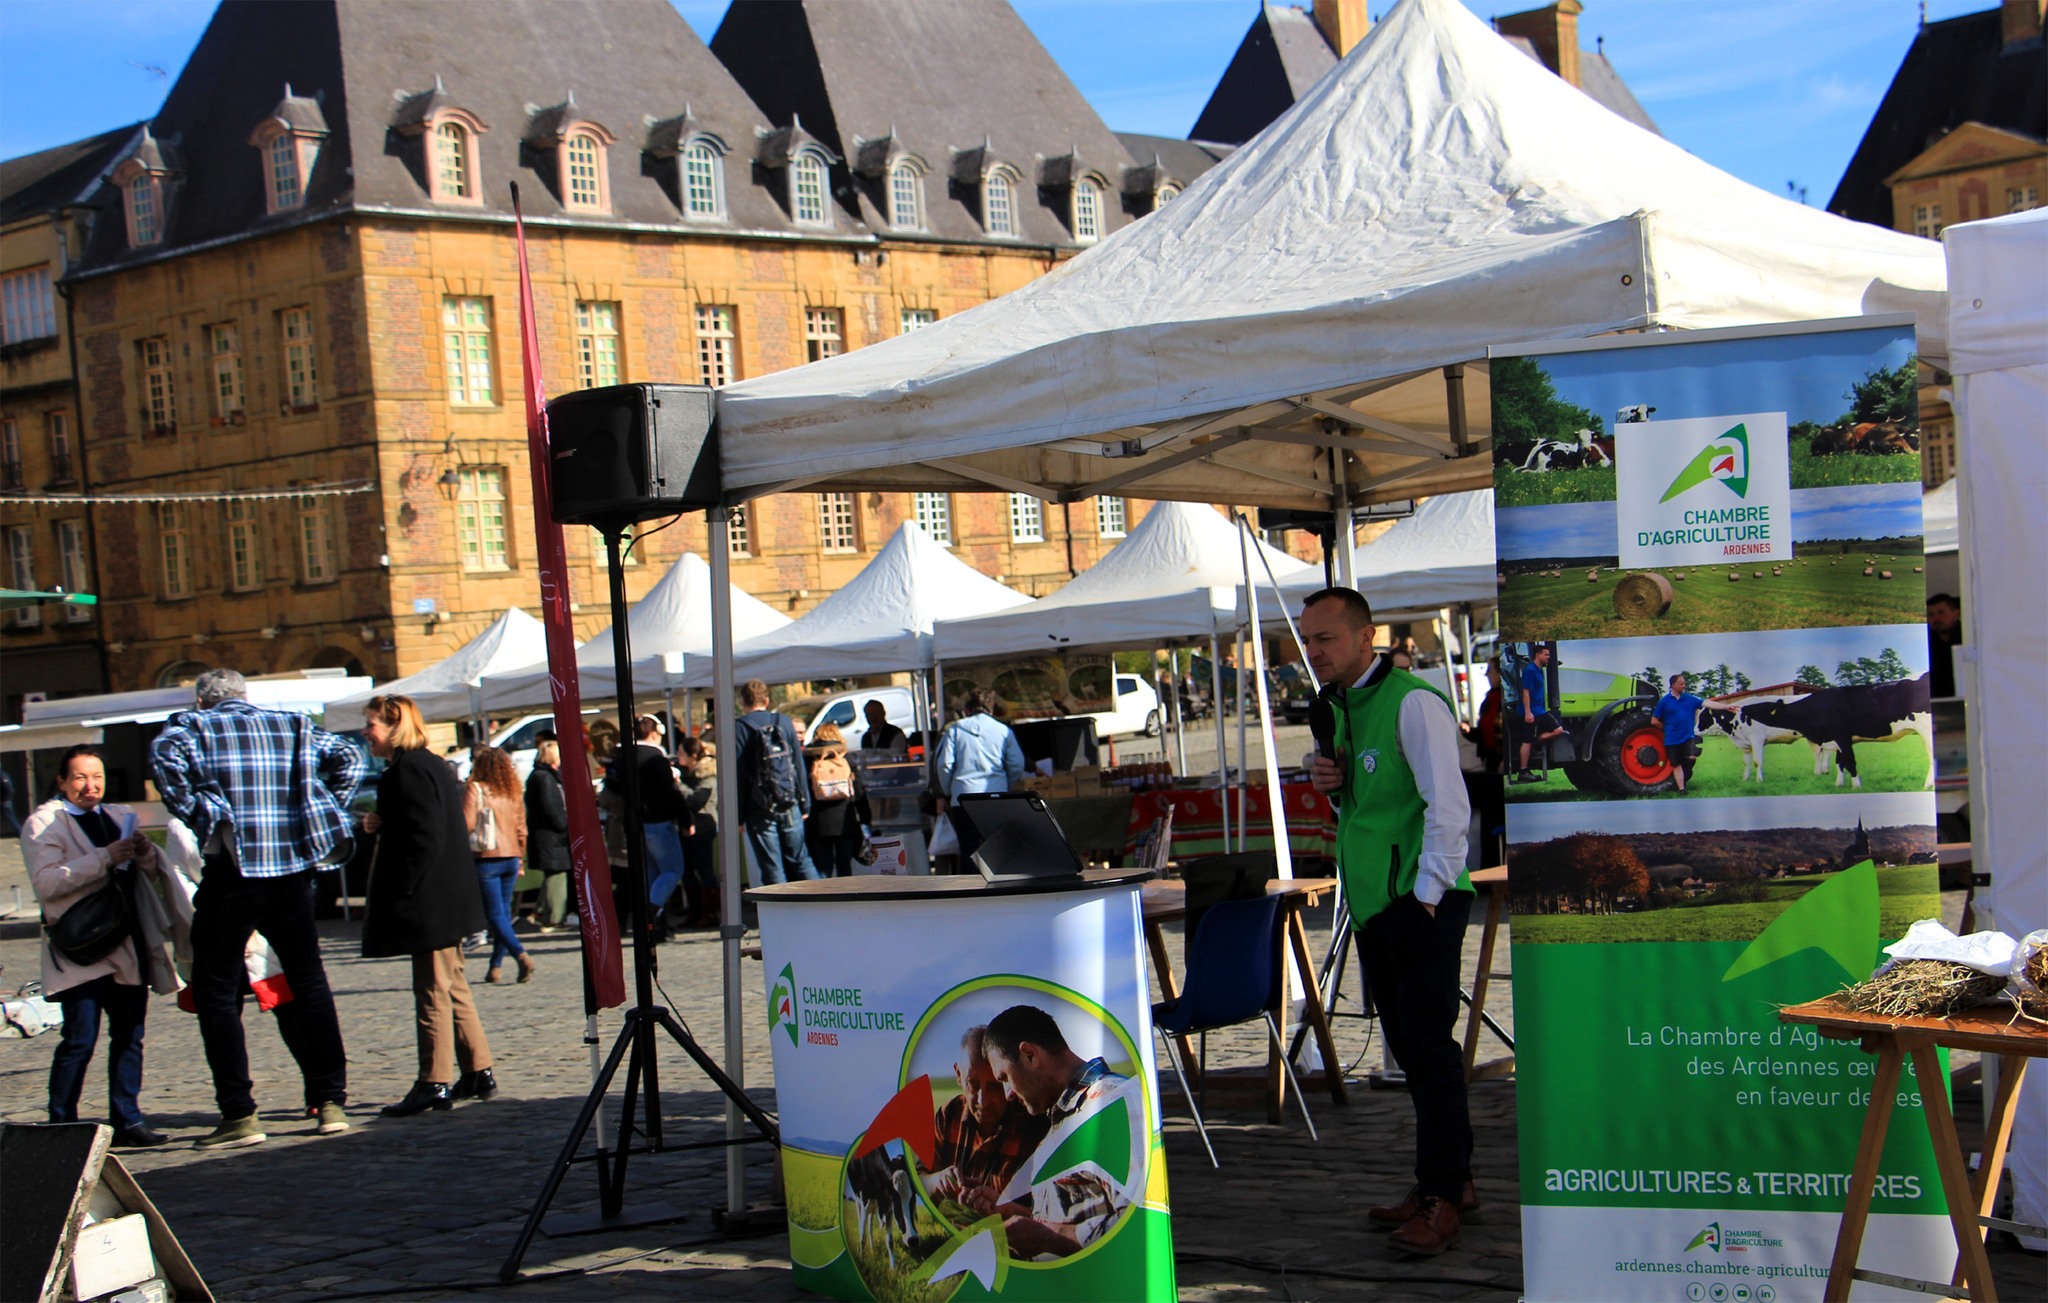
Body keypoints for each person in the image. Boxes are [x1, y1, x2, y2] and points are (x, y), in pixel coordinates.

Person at [1300, 587, 1476, 1256]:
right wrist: (1333, 781)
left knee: (1428, 1051)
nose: (1314, 652)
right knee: (1413, 1050)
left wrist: (1427, 894)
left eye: (1327, 638)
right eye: (1308, 640)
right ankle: (1451, 1181)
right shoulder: (1341, 707)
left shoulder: (1411, 702)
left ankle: (1441, 1196)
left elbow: (1448, 807)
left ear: (1365, 636)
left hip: (1415, 900)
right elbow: (1371, 798)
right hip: (1378, 900)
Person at [150, 668, 362, 1149]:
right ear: (246, 696)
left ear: (204, 699)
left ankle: (239, 1112)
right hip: (290, 864)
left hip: (235, 866)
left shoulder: (195, 727)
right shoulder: (291, 723)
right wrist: (321, 807)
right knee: (308, 977)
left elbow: (165, 759)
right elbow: (348, 756)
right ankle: (330, 1100)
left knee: (217, 989)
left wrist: (203, 812)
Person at [26, 746, 172, 1148]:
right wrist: (103, 857)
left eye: (97, 777)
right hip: (82, 946)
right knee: (80, 1038)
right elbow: (48, 884)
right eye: (79, 778)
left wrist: (143, 853)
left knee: (129, 1034)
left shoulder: (114, 816)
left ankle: (127, 1118)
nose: (90, 786)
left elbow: (143, 875)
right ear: (61, 782)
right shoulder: (45, 823)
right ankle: (62, 1123)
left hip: (125, 940)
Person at [358, 695, 497, 1116]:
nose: (367, 733)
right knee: (453, 987)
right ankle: (477, 1068)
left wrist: (401, 888)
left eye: (372, 726)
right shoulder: (430, 764)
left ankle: (433, 1080)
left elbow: (424, 837)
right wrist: (379, 822)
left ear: (394, 726)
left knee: (433, 991)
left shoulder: (408, 769)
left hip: (428, 898)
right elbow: (424, 824)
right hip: (447, 895)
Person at [964, 1004, 1134, 1259]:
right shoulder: (1061, 1117)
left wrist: (1052, 1238)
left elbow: (1140, 1223)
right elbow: (1080, 1216)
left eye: (1005, 1078)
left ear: (1029, 1055)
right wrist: (1012, 1214)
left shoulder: (1112, 1103)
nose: (1009, 1094)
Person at [923, 1024, 1050, 1200]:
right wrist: (937, 1180)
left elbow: (1050, 1209)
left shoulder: (1034, 1126)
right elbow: (916, 1179)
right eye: (973, 1085)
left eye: (995, 1087)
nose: (983, 1101)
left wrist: (1001, 1208)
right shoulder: (948, 1115)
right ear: (958, 1075)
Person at [732, 680, 818, 885]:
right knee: (801, 858)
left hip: (758, 806)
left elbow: (739, 772)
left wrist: (739, 816)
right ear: (767, 700)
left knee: (771, 865)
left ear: (742, 702)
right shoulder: (784, 722)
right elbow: (798, 764)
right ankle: (821, 906)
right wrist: (804, 803)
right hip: (789, 799)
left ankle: (779, 915)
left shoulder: (739, 728)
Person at [465, 746, 532, 984]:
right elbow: (522, 828)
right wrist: (520, 857)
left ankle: (520, 954)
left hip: (486, 857)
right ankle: (495, 967)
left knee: (495, 915)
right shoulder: (512, 791)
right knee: (503, 913)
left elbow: (467, 824)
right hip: (512, 856)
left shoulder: (476, 789)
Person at [622, 716, 692, 923]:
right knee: (672, 870)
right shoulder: (655, 759)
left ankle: (654, 921)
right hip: (658, 821)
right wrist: (686, 819)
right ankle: (650, 913)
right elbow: (670, 793)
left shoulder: (624, 757)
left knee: (653, 874)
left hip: (637, 822)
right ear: (655, 733)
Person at [934, 689, 1025, 805]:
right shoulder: (1004, 731)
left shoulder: (955, 730)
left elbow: (944, 764)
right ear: (991, 710)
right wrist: (1005, 783)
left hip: (962, 796)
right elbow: (1017, 764)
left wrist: (948, 790)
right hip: (997, 794)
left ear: (968, 710)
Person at [804, 722, 871, 878]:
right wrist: (866, 818)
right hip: (844, 821)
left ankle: (823, 898)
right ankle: (845, 898)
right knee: (844, 865)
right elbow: (859, 791)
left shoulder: (809, 759)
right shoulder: (845, 757)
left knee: (823, 866)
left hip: (818, 821)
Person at [524, 737, 571, 930]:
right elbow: (551, 807)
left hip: (548, 835)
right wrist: (564, 826)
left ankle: (541, 912)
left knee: (553, 875)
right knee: (556, 875)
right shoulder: (544, 778)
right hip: (551, 836)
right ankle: (553, 917)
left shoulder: (540, 776)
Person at [673, 735, 719, 927]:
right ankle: (695, 912)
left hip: (703, 828)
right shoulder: (689, 773)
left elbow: (695, 801)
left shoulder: (708, 774)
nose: (677, 756)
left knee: (704, 870)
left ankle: (709, 913)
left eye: (681, 753)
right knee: (687, 872)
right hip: (686, 828)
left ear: (693, 756)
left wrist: (677, 782)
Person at [1513, 644, 1566, 784]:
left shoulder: (1538, 670)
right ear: (1538, 655)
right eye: (1546, 655)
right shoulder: (1530, 671)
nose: (1549, 657)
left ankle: (1536, 739)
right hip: (1532, 712)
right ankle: (1523, 771)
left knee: (1558, 730)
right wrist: (1528, 712)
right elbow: (1526, 692)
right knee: (1526, 741)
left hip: (1540, 711)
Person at [1651, 673, 1706, 793]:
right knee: (1676, 764)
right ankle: (1681, 789)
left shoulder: (1689, 698)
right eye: (1681, 684)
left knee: (1691, 757)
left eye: (1684, 683)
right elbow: (1654, 721)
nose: (1684, 686)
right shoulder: (1664, 701)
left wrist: (1726, 707)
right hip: (1672, 738)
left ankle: (1682, 779)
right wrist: (1666, 728)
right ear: (1673, 685)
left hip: (1687, 736)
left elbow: (1707, 703)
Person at [1927, 593, 1962, 698]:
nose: (1936, 619)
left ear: (1956, 614)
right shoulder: (1925, 644)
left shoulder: (1968, 638)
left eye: (1941, 613)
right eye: (1931, 614)